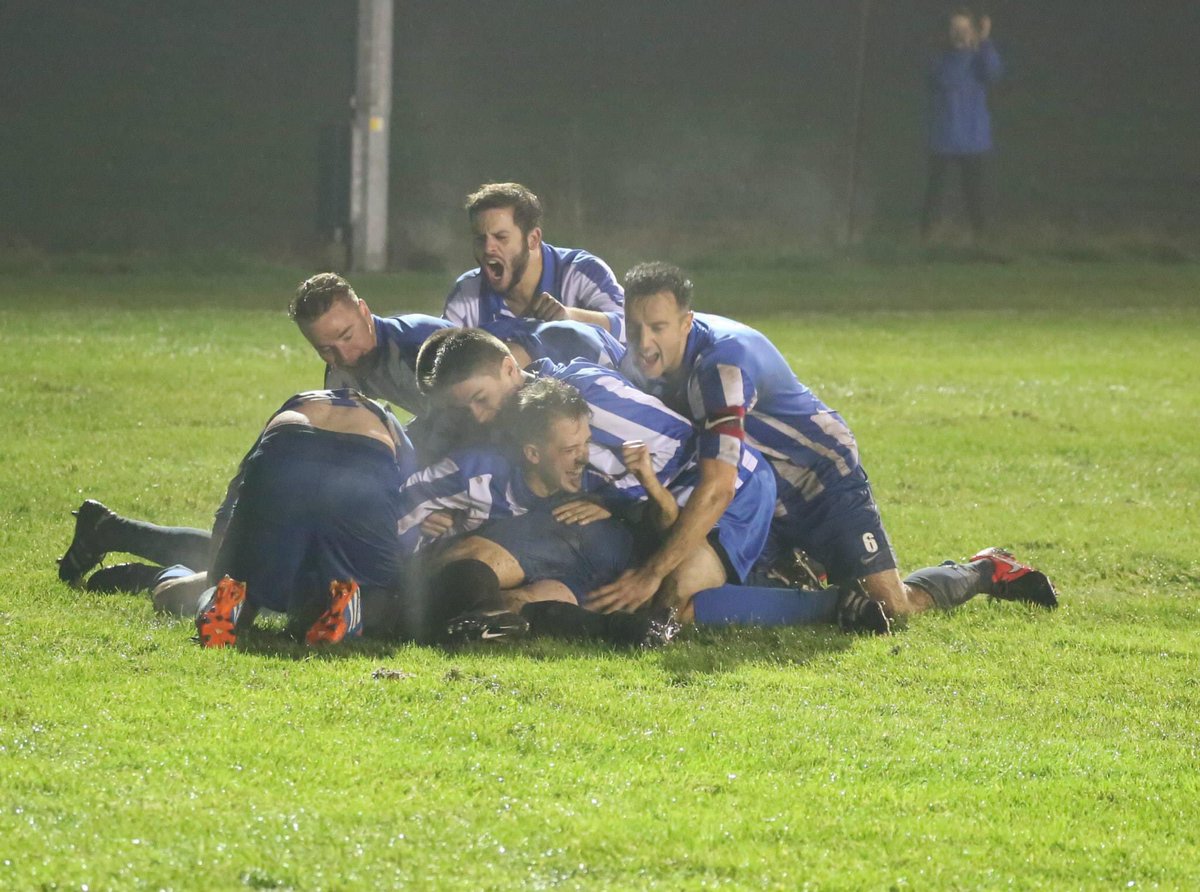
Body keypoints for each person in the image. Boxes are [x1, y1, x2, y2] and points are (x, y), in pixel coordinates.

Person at [615, 261, 1058, 621]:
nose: (645, 341)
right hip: (762, 488)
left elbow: (717, 487)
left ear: (686, 323)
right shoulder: (643, 348)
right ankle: (808, 575)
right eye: (635, 328)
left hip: (819, 476)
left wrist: (653, 574)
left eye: (658, 327)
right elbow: (603, 324)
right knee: (712, 584)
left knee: (891, 608)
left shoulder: (722, 369)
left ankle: (984, 570)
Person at [414, 327, 784, 625]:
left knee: (666, 600)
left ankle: (798, 594)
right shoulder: (513, 421)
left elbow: (679, 453)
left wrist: (649, 569)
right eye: (467, 407)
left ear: (510, 368)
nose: (479, 415)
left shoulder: (586, 396)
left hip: (729, 489)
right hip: (648, 511)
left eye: (482, 398)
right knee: (622, 593)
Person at [399, 377, 678, 646]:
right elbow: (403, 503)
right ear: (533, 454)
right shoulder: (481, 470)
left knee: (455, 562)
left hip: (594, 548)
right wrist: (428, 526)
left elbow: (667, 521)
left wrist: (647, 480)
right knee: (511, 609)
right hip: (584, 579)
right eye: (570, 449)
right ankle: (630, 630)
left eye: (586, 443)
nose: (583, 457)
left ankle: (422, 613)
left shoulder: (596, 475)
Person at [442, 183, 625, 339]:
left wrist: (571, 317)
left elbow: (632, 330)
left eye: (501, 237)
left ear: (533, 239)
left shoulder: (581, 272)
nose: (488, 248)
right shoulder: (467, 293)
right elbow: (438, 360)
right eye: (480, 239)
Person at [920, 8, 1003, 242]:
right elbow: (948, 79)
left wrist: (984, 42)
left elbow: (994, 73)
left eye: (965, 29)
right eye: (955, 29)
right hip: (943, 138)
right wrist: (969, 50)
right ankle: (926, 240)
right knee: (935, 194)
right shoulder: (938, 59)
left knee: (974, 196)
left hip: (973, 138)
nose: (959, 34)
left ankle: (981, 241)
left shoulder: (980, 57)